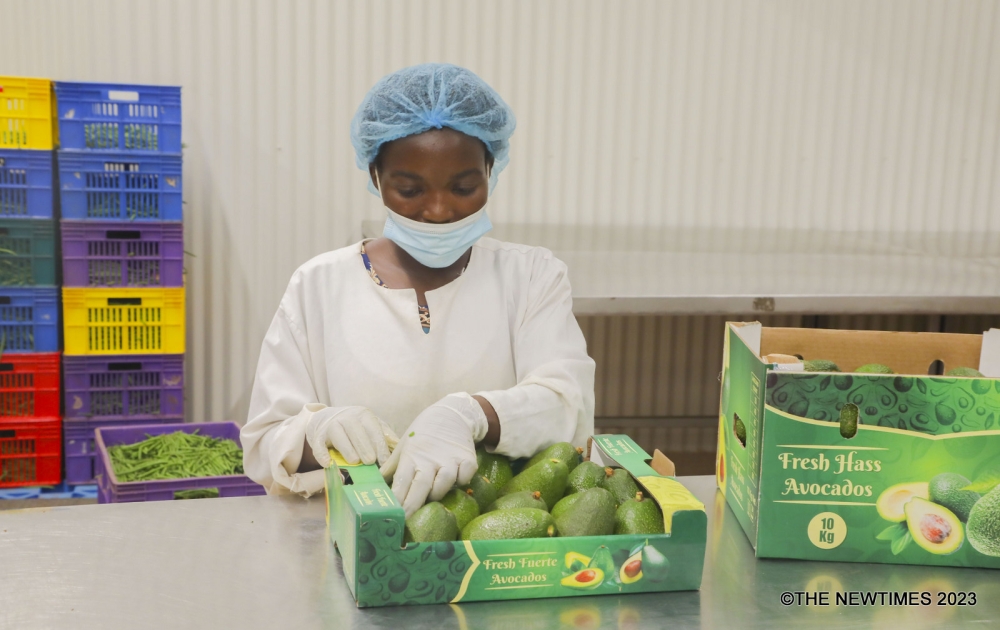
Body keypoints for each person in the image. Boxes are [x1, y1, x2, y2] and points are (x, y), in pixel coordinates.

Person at [241, 63, 595, 516]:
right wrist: (318, 430)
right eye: (409, 189)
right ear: (375, 177)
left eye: (465, 187)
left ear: (492, 170)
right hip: (353, 539)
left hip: (494, 540)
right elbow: (265, 444)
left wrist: (469, 415)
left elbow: (569, 407)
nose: (438, 210)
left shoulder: (530, 277)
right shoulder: (319, 286)